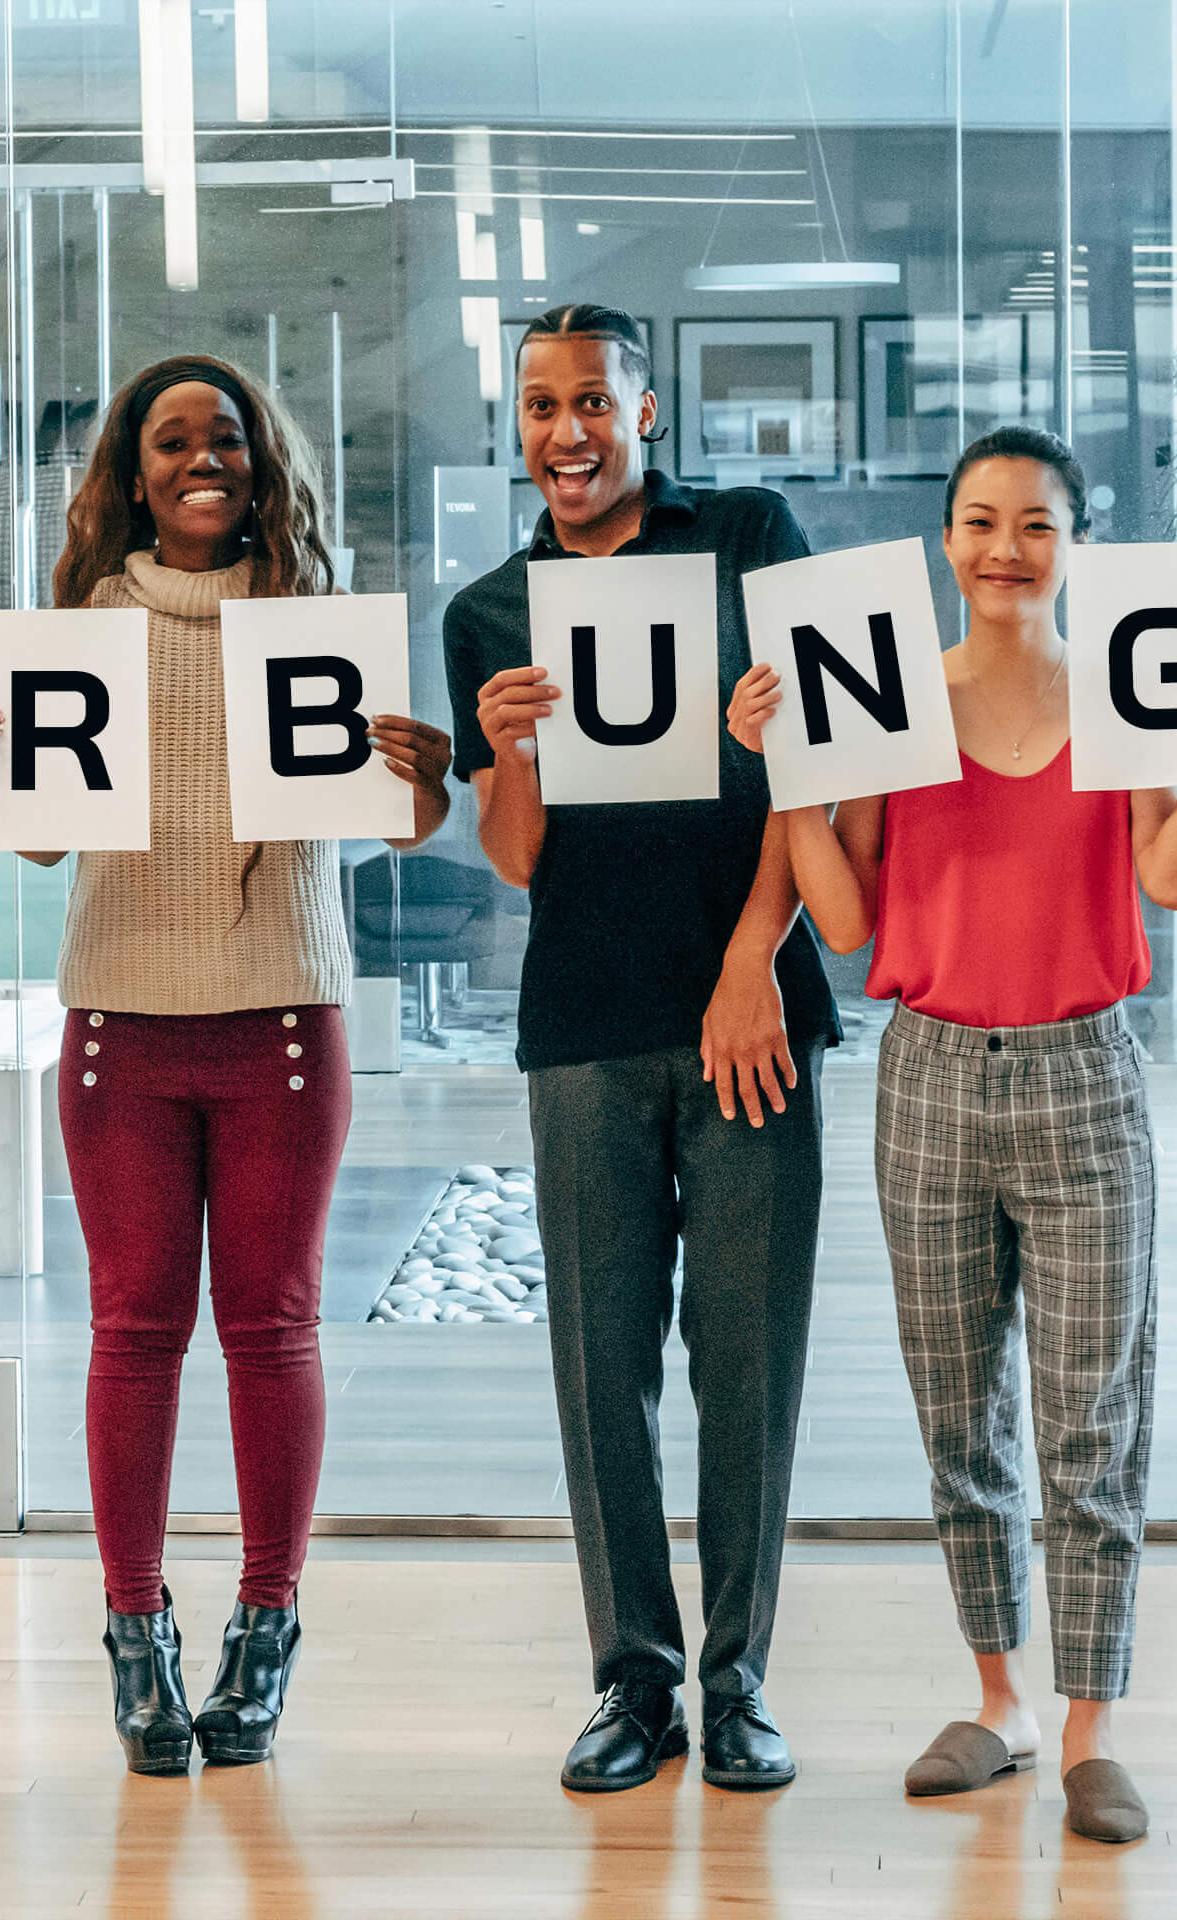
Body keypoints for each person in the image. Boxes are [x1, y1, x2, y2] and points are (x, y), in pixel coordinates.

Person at [725, 426, 1177, 1844]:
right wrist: (788, 767)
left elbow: (1167, 873)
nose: (1003, 549)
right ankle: (1000, 1701)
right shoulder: (887, 706)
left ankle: (1092, 1724)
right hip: (930, 1078)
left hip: (1085, 1074)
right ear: (946, 540)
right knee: (959, 1412)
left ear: (1073, 543)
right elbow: (844, 922)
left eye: (1035, 525)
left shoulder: (1130, 692)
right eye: (978, 521)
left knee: (1093, 1415)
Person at [0, 355, 453, 1774]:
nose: (202, 458)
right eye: (173, 441)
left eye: (227, 437)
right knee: (134, 1333)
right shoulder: (78, 627)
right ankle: (136, 1635)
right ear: (132, 471)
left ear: (262, 461)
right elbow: (38, 839)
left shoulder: (316, 625)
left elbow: (401, 827)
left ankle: (266, 1626)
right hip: (119, 1024)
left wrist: (425, 775)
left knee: (272, 1330)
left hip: (283, 1018)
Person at [443, 303, 839, 1794]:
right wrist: (512, 750)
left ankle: (738, 1680)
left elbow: (821, 762)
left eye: (594, 402)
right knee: (601, 1370)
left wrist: (755, 961)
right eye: (542, 407)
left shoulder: (748, 536)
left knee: (746, 1363)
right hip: (587, 1025)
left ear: (647, 412)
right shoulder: (490, 612)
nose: (568, 433)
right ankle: (635, 1682)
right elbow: (522, 858)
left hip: (752, 1018)